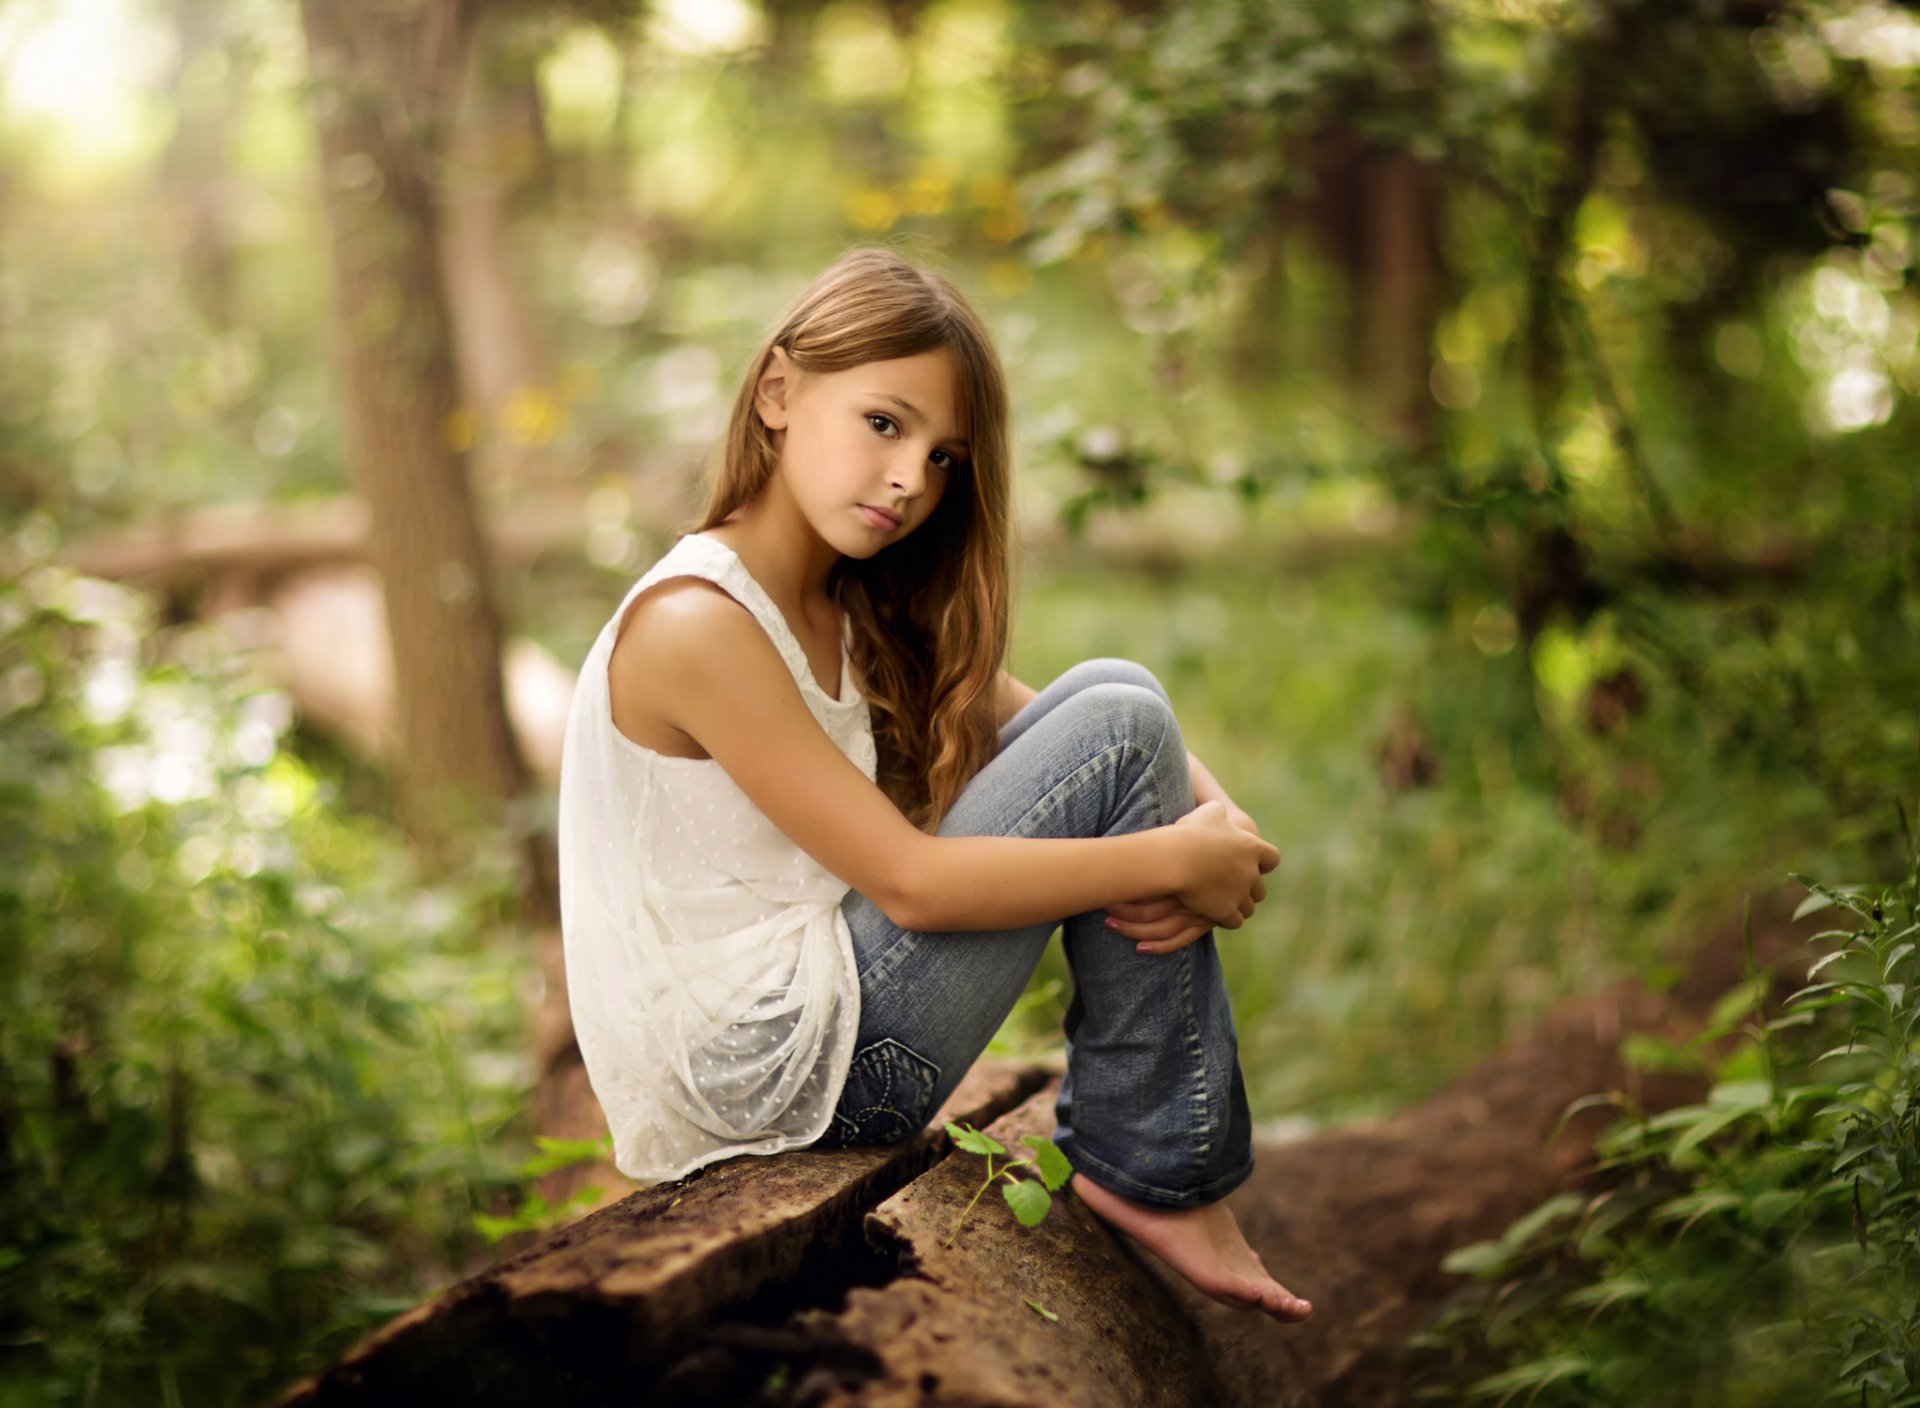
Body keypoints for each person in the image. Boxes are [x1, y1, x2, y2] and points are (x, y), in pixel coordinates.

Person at [557, 246, 1310, 1322]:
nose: (912, 477)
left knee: (1118, 699)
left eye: (944, 455)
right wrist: (1170, 856)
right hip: (779, 1075)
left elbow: (1065, 720)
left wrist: (1215, 816)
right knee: (1124, 715)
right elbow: (912, 883)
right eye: (883, 424)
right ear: (778, 392)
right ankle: (1157, 1164)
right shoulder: (697, 624)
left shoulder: (845, 603)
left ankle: (1148, 1150)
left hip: (813, 1039)